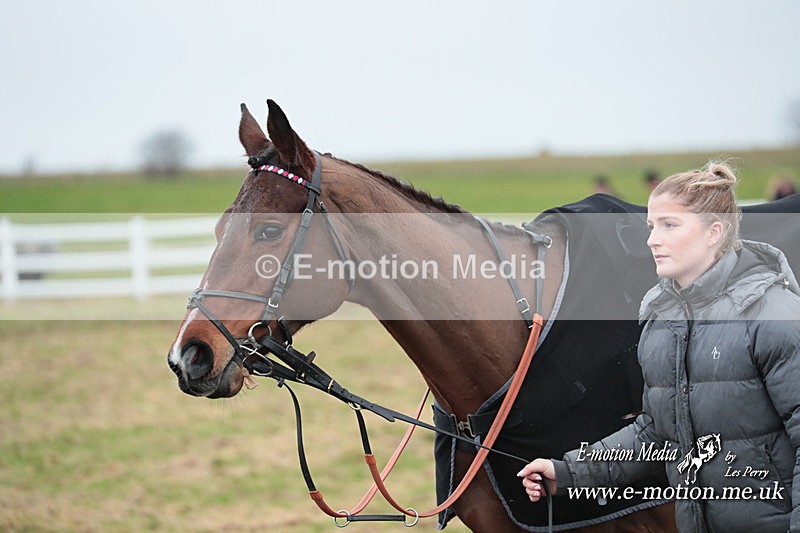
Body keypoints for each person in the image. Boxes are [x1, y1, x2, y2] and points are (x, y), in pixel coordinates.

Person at [518, 161, 800, 532]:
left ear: (714, 232)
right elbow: (656, 434)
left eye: (669, 225)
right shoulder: (661, 320)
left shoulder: (775, 315)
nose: (652, 239)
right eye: (651, 226)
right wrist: (569, 472)